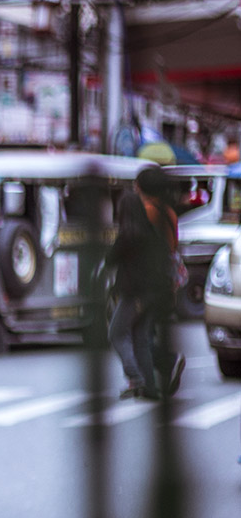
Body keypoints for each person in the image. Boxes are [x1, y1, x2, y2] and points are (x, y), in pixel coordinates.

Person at [107, 166, 186, 399]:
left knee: (129, 333)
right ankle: (150, 385)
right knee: (142, 334)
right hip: (163, 281)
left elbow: (132, 245)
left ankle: (147, 374)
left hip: (142, 283)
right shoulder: (169, 212)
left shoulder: (146, 212)